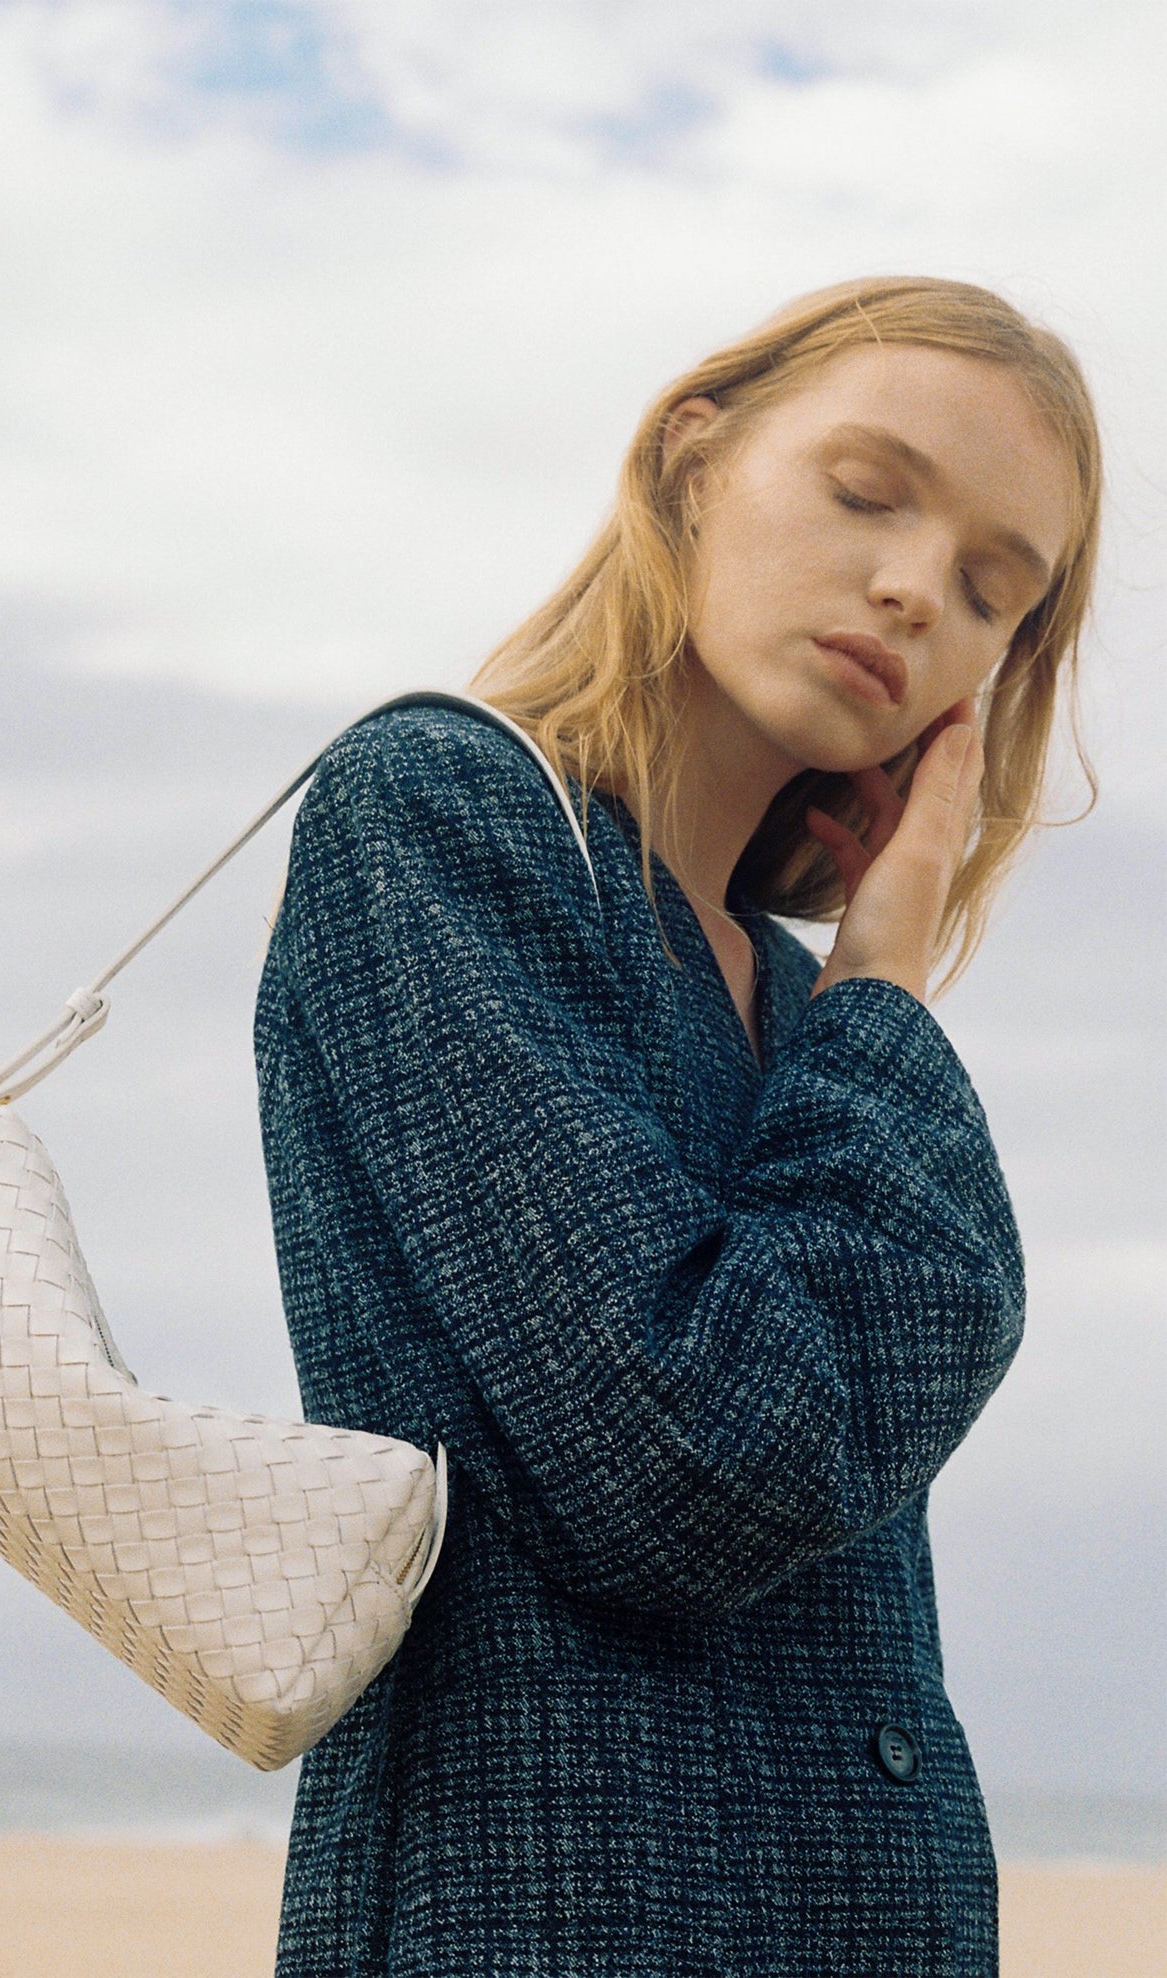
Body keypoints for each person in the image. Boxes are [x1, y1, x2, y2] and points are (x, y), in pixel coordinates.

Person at [252, 275, 1101, 1977]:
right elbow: (692, 1471)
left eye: (992, 591)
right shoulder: (441, 816)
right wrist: (887, 989)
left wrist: (861, 979)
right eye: (867, 494)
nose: (912, 587)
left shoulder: (807, 1008)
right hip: (547, 1908)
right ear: (693, 461)